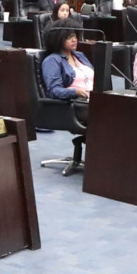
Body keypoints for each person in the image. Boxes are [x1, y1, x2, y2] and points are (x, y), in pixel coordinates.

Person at [39, 26, 91, 173]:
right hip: (74, 105)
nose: (74, 40)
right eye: (69, 37)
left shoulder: (79, 56)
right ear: (57, 40)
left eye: (75, 36)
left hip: (92, 100)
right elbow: (54, 91)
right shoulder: (52, 60)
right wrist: (75, 91)